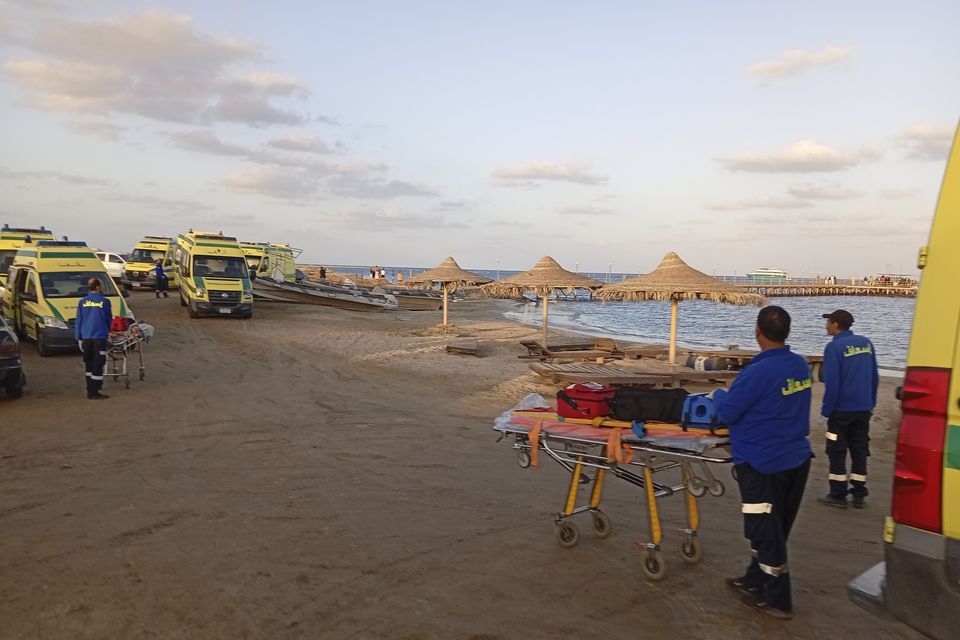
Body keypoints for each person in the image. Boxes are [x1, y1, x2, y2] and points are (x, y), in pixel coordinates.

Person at [711, 306, 813, 619]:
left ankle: (779, 598)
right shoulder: (799, 365)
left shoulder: (756, 373)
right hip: (795, 459)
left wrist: (717, 395)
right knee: (774, 527)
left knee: (765, 530)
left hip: (762, 462)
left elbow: (727, 412)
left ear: (758, 332)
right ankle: (755, 579)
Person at [818, 309, 879, 509]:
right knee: (859, 448)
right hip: (863, 408)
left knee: (836, 451)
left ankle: (838, 494)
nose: (826, 325)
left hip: (842, 410)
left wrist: (827, 409)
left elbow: (832, 383)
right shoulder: (865, 343)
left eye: (828, 322)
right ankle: (859, 493)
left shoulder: (834, 347)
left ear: (835, 325)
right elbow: (874, 376)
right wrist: (871, 402)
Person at [75, 277, 113, 400]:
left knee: (88, 363)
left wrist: (79, 337)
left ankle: (89, 388)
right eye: (101, 285)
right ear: (97, 287)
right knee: (98, 362)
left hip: (86, 337)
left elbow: (79, 320)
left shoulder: (82, 302)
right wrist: (107, 332)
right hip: (99, 337)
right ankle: (94, 391)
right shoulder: (105, 302)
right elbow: (108, 320)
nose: (102, 287)